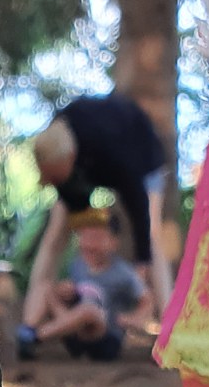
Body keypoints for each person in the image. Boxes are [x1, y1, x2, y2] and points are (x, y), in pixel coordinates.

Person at [18, 93, 172, 358]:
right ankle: (29, 324)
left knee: (152, 236)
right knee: (55, 233)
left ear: (71, 157)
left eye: (56, 177)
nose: (53, 183)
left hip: (142, 156)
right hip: (91, 162)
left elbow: (138, 207)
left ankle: (170, 332)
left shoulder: (115, 153)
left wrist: (142, 261)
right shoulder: (56, 138)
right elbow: (75, 203)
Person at [27, 209, 144, 363]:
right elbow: (76, 292)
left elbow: (146, 299)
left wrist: (134, 319)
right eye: (84, 236)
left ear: (113, 242)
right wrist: (65, 291)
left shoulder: (123, 273)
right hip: (76, 330)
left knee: (90, 311)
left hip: (105, 336)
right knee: (46, 287)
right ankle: (28, 329)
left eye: (96, 237)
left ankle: (35, 337)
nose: (89, 243)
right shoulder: (78, 265)